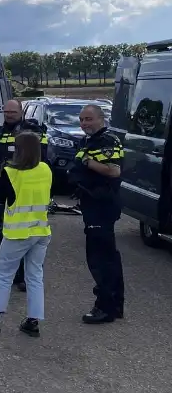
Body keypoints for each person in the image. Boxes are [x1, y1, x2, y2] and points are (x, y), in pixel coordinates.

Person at [0, 132, 52, 337]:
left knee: (3, 276)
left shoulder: (11, 173)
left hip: (18, 233)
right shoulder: (45, 169)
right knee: (35, 276)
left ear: (18, 150)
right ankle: (33, 321)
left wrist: (2, 172)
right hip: (41, 231)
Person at [68, 104, 125, 324]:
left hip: (102, 205)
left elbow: (114, 170)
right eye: (81, 120)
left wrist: (86, 162)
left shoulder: (107, 140)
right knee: (109, 255)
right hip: (93, 204)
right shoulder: (90, 141)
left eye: (89, 119)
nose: (84, 123)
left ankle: (105, 307)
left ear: (101, 119)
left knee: (100, 258)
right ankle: (115, 303)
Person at [0, 99, 50, 292]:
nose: (8, 115)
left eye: (12, 112)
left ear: (21, 112)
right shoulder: (2, 131)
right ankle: (15, 274)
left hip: (26, 188)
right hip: (8, 185)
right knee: (9, 231)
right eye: (6, 112)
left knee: (28, 234)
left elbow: (41, 157)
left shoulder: (31, 131)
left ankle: (25, 277)